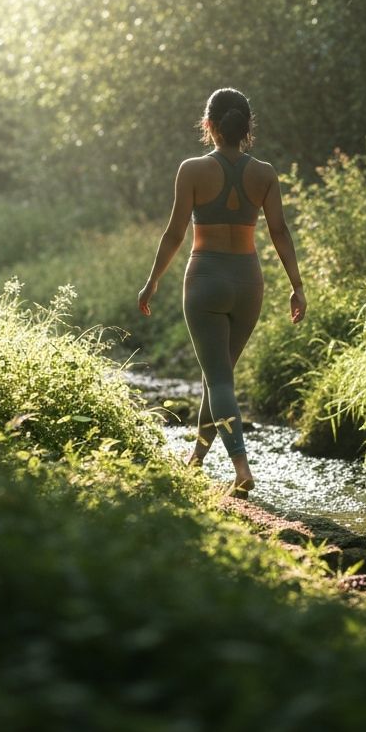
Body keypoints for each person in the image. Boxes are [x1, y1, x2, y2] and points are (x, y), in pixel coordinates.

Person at [138, 88, 306, 498]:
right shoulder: (265, 173)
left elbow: (175, 232)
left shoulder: (192, 169)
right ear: (247, 128)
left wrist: (153, 279)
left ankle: (241, 469)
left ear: (208, 125)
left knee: (218, 379)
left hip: (205, 281)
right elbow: (280, 232)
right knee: (220, 377)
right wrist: (297, 286)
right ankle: (195, 460)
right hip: (249, 283)